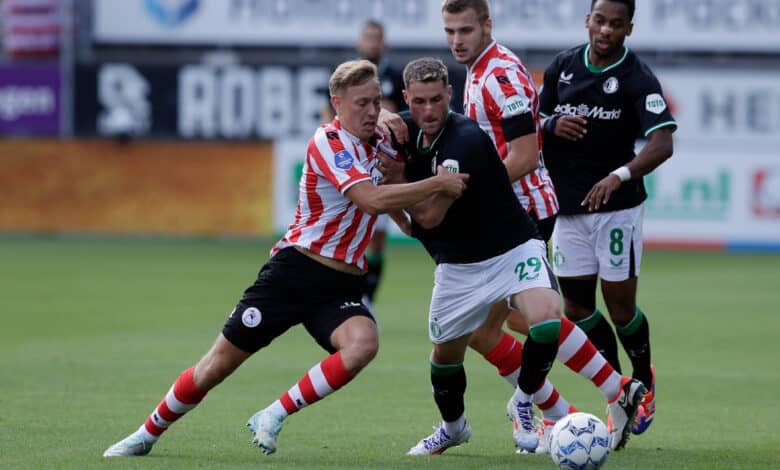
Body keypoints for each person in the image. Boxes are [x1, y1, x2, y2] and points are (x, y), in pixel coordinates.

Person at [102, 59, 468, 458]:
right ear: (337, 104)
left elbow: (399, 210)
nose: (368, 111)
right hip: (294, 272)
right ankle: (146, 433)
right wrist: (435, 184)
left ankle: (273, 414)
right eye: (360, 103)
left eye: (374, 101)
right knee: (215, 367)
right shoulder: (328, 141)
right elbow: (369, 199)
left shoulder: (382, 140)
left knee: (363, 345)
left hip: (341, 284)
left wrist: (404, 180)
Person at [380, 0, 646, 453]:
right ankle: (609, 391)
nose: (457, 40)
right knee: (512, 324)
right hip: (498, 213)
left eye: (465, 30)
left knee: (505, 326)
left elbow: (522, 157)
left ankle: (551, 407)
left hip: (519, 212)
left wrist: (471, 192)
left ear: (487, 25)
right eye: (449, 31)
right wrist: (389, 118)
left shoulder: (500, 73)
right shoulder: (476, 72)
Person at [392, 56, 562, 456]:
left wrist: (395, 186)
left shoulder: (463, 139)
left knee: (546, 320)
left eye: (437, 99)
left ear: (450, 95)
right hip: (458, 267)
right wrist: (384, 119)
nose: (429, 110)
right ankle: (453, 428)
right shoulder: (401, 127)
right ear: (406, 99)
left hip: (512, 248)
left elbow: (430, 217)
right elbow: (383, 125)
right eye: (419, 102)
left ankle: (523, 399)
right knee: (444, 359)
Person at [538, 0, 677, 436]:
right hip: (567, 208)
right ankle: (620, 391)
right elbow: (533, 118)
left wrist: (619, 175)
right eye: (599, 21)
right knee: (577, 307)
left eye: (616, 24)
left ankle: (644, 378)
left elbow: (663, 142)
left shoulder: (637, 78)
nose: (605, 30)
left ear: (628, 29)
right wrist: (550, 126)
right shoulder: (562, 67)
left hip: (617, 210)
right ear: (587, 21)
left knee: (619, 309)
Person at [321, 20, 409, 311]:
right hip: (349, 165)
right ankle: (344, 295)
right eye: (368, 38)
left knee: (378, 237)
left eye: (377, 38)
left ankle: (368, 298)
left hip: (379, 166)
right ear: (360, 42)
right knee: (347, 231)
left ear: (385, 44)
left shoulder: (394, 78)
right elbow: (326, 114)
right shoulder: (344, 76)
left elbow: (401, 117)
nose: (372, 43)